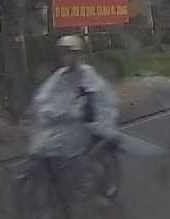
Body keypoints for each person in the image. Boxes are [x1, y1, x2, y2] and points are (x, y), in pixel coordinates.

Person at [26, 35, 120, 181]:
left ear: (78, 54)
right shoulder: (60, 75)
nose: (65, 57)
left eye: (69, 53)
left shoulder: (86, 73)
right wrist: (38, 108)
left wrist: (81, 109)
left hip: (88, 122)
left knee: (73, 151)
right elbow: (45, 94)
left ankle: (84, 178)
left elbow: (94, 95)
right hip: (65, 122)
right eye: (63, 53)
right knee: (46, 145)